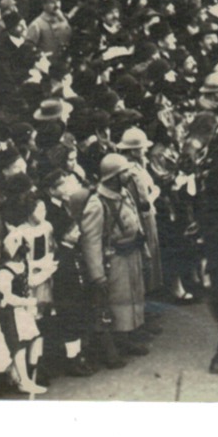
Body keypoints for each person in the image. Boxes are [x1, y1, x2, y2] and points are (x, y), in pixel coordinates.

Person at [79, 154, 149, 360]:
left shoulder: (124, 193)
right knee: (115, 302)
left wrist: (144, 250)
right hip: (114, 258)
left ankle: (127, 340)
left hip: (131, 253)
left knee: (133, 297)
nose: (128, 176)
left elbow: (136, 220)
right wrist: (97, 275)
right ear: (113, 177)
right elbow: (90, 241)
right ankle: (112, 349)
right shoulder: (97, 203)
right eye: (124, 173)